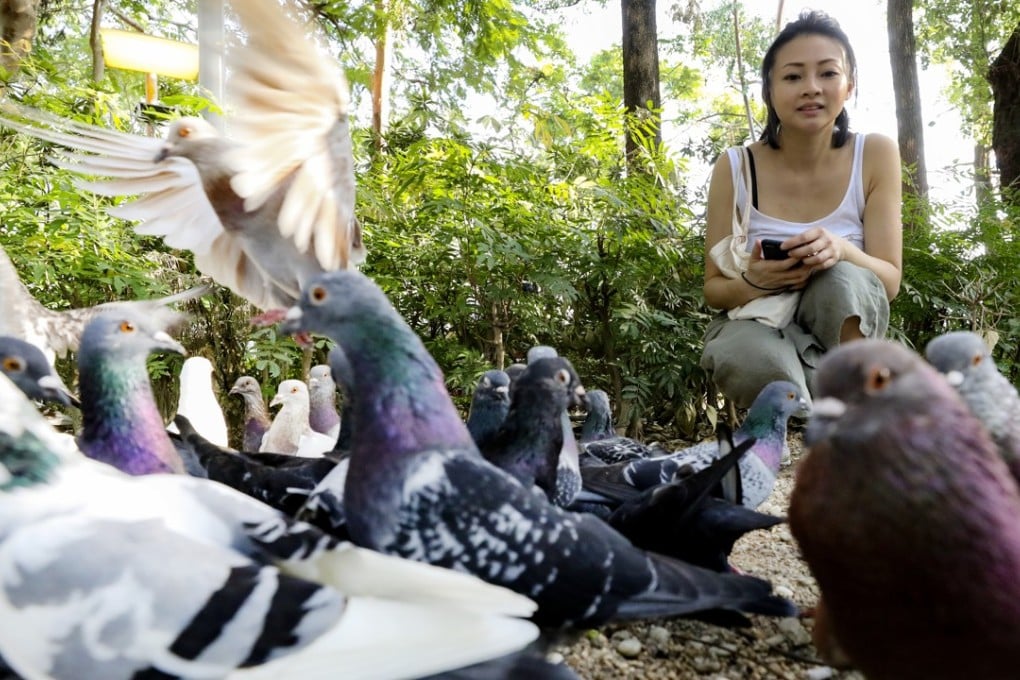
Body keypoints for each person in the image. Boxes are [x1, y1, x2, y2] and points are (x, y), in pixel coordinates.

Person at [700, 10, 902, 410]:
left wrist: (841, 250)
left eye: (828, 73)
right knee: (758, 365)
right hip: (757, 320)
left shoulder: (875, 153)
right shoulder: (735, 167)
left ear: (849, 87)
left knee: (842, 277)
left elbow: (889, 281)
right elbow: (713, 291)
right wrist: (757, 280)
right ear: (769, 91)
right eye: (793, 76)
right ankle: (806, 403)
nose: (811, 88)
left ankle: (848, 399)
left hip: (840, 331)